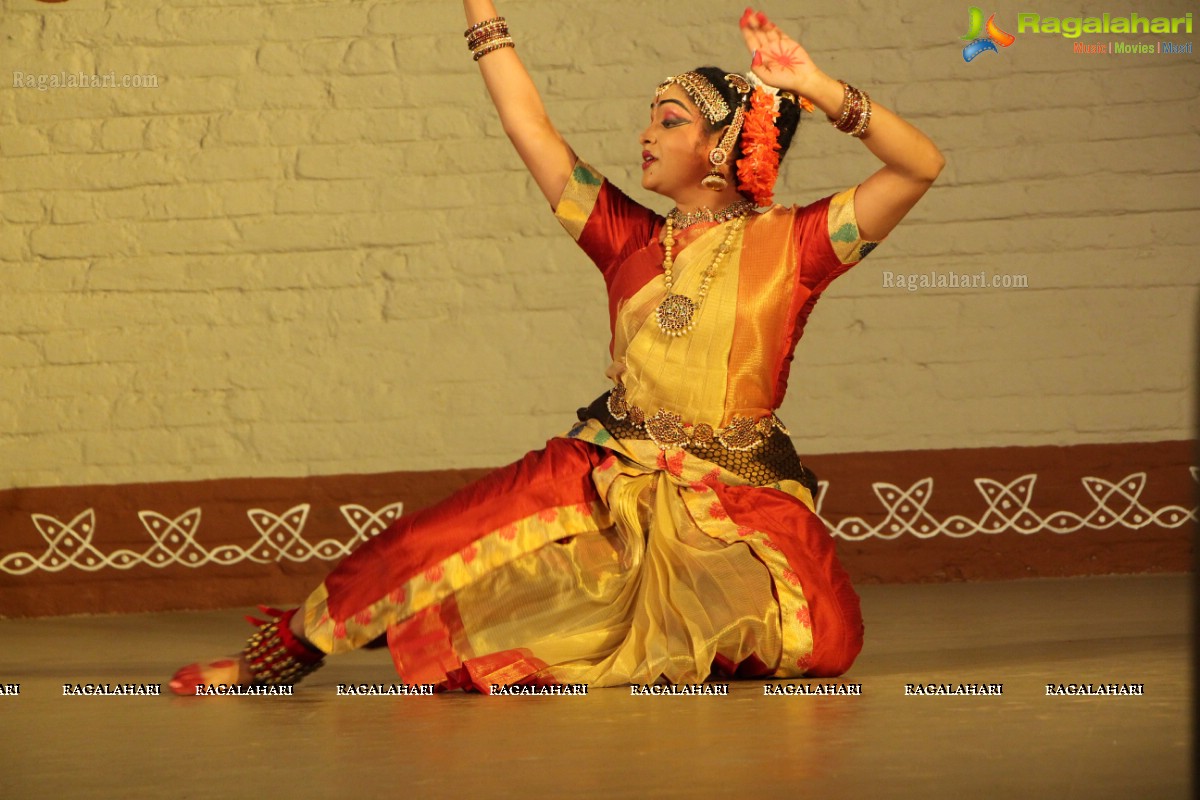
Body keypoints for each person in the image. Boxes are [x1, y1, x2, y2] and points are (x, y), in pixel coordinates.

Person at [169, 2, 943, 695]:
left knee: (828, 643)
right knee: (432, 540)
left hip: (738, 486)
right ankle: (278, 657)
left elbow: (920, 165)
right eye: (651, 117)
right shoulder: (626, 238)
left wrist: (816, 84)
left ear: (725, 143)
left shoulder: (798, 246)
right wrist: (481, 12)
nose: (646, 132)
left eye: (670, 119)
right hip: (608, 465)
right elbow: (529, 127)